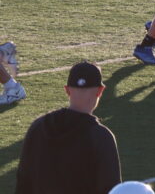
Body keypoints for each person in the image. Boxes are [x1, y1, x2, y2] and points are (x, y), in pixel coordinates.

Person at [16, 61, 120, 194]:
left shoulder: (38, 126)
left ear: (67, 90)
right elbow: (112, 189)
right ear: (100, 91)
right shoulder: (101, 137)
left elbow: (23, 181)